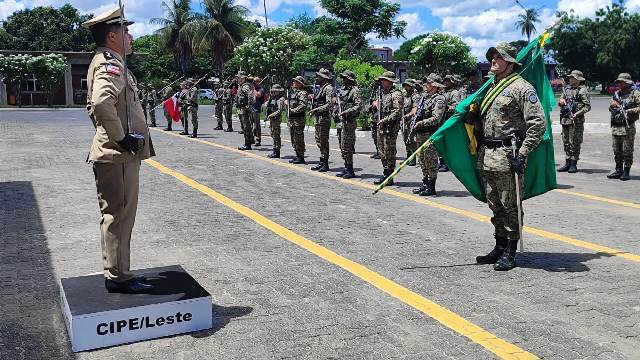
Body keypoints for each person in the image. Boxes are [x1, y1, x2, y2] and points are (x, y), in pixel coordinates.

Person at [82, 7, 155, 293]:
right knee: (119, 216)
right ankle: (119, 277)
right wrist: (122, 138)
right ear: (112, 36)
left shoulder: (110, 60)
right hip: (117, 155)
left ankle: (119, 272)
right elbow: (101, 103)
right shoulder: (111, 64)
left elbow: (97, 106)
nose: (131, 35)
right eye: (125, 31)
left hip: (116, 155)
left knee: (120, 215)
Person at [474, 42, 546, 271]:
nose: (493, 60)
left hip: (508, 156)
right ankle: (499, 245)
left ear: (510, 62)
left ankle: (511, 251)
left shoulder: (522, 88)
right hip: (487, 154)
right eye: (491, 57)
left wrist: (523, 154)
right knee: (494, 203)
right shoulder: (489, 87)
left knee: (510, 205)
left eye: (498, 57)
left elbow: (537, 124)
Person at [411, 74, 447, 196]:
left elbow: (436, 118)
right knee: (422, 160)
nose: (426, 85)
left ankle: (431, 187)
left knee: (431, 161)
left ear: (435, 86)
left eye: (429, 83)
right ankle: (425, 183)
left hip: (431, 133)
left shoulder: (439, 99)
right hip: (421, 133)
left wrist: (421, 122)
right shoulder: (425, 98)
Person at [372, 71, 403, 185]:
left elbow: (397, 112)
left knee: (389, 151)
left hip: (390, 127)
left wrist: (385, 120)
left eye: (383, 80)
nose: (381, 82)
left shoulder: (396, 94)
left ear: (389, 82)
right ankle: (385, 172)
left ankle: (389, 175)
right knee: (381, 151)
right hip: (381, 126)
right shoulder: (383, 94)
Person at [607, 73, 640, 181]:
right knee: (617, 150)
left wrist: (630, 110)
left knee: (627, 150)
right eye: (618, 82)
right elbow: (611, 109)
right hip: (616, 126)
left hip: (627, 126)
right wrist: (612, 105)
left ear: (627, 83)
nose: (619, 84)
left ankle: (626, 171)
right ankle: (618, 170)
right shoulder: (616, 94)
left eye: (621, 82)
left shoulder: (635, 93)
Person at [557, 70, 591, 173]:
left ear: (578, 80)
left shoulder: (583, 91)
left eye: (573, 78)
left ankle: (573, 163)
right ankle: (567, 162)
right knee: (566, 142)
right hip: (565, 119)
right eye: (570, 77)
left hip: (576, 121)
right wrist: (561, 101)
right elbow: (561, 101)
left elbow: (587, 107)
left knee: (574, 142)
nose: (571, 79)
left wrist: (577, 113)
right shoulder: (566, 89)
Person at [335, 70, 362, 179]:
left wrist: (347, 112)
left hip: (349, 121)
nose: (343, 80)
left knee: (347, 146)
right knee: (342, 146)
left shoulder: (355, 91)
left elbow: (358, 106)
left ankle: (350, 170)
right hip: (342, 121)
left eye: (345, 78)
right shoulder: (342, 90)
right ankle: (346, 167)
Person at [309, 68, 334, 172]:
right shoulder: (321, 88)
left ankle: (325, 163)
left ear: (324, 78)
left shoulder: (328, 88)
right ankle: (322, 160)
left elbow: (329, 104)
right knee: (318, 140)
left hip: (324, 117)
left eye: (319, 76)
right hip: (319, 117)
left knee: (323, 140)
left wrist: (317, 109)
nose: (317, 78)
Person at [287, 76, 309, 164]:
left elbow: (303, 105)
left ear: (300, 84)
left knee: (298, 138)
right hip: (292, 118)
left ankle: (301, 156)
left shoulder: (302, 93)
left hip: (298, 119)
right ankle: (297, 155)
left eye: (295, 82)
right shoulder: (294, 93)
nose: (293, 83)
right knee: (293, 138)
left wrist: (293, 111)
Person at [265, 84, 286, 158]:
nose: (273, 92)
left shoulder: (280, 99)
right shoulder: (273, 98)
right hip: (272, 118)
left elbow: (279, 111)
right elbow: (268, 105)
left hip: (276, 118)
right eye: (272, 91)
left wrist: (271, 115)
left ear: (278, 92)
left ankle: (277, 151)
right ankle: (274, 150)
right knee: (273, 134)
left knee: (276, 134)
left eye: (275, 91)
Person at [401, 79, 418, 167]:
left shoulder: (415, 96)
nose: (406, 87)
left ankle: (413, 158)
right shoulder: (405, 96)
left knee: (412, 140)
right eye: (405, 85)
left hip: (411, 120)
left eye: (408, 85)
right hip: (404, 121)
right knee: (405, 140)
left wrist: (408, 115)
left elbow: (415, 108)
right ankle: (408, 157)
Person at [236, 72, 253, 149]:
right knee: (243, 125)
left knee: (246, 126)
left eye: (239, 78)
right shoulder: (240, 86)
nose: (237, 79)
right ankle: (247, 142)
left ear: (243, 78)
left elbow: (250, 96)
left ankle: (248, 144)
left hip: (244, 109)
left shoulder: (245, 86)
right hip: (240, 108)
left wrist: (248, 106)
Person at [251, 77, 266, 146]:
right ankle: (251, 138)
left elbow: (258, 95)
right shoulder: (250, 88)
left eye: (256, 81)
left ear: (258, 82)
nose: (254, 82)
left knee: (257, 125)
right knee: (250, 124)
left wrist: (253, 89)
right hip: (250, 108)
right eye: (254, 81)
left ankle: (258, 139)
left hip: (256, 109)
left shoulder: (261, 89)